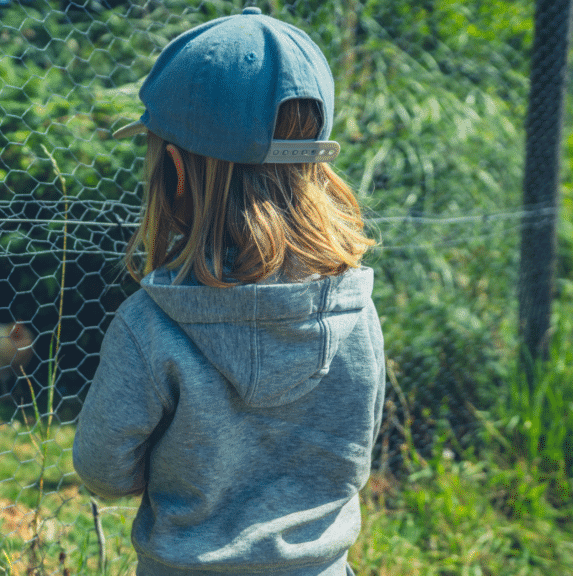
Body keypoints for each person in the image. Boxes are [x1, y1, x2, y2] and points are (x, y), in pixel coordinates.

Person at [72, 7, 385, 576]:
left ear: (176, 169)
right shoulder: (356, 311)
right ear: (314, 165)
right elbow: (354, 453)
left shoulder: (150, 324)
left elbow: (103, 472)